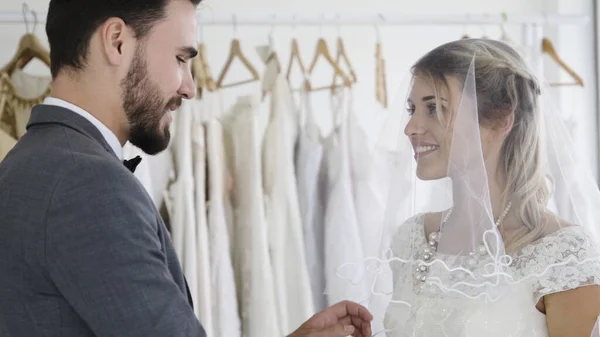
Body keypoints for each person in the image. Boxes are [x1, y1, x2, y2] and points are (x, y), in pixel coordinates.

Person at [0, 0, 373, 336]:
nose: (190, 88)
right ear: (116, 41)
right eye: (180, 59)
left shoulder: (21, 166)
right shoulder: (89, 185)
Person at [339, 39, 600, 336]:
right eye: (412, 109)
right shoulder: (411, 238)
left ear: (503, 119)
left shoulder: (563, 253)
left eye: (435, 108)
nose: (411, 127)